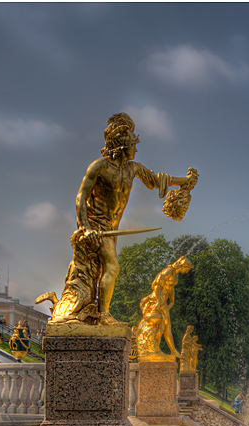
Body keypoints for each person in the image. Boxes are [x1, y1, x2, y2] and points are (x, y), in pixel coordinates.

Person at [45, 113, 197, 326]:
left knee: (98, 272)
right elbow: (81, 198)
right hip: (96, 227)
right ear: (121, 145)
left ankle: (84, 311)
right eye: (133, 143)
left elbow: (156, 180)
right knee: (112, 267)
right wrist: (86, 227)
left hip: (111, 228)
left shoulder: (132, 168)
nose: (136, 148)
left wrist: (186, 181)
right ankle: (104, 315)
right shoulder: (100, 167)